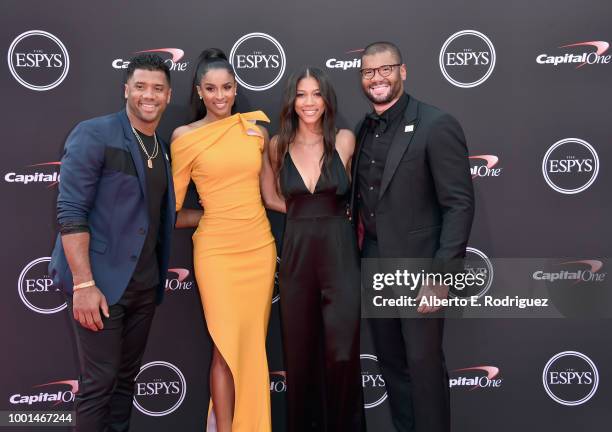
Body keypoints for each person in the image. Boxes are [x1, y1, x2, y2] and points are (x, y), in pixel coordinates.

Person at [351, 42, 475, 432]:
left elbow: (459, 205)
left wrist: (441, 275)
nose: (378, 78)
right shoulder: (362, 128)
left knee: (423, 368)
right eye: (369, 72)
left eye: (385, 69)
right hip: (374, 265)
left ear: (403, 71)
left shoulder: (436, 124)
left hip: (421, 270)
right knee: (392, 367)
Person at [49, 53, 175, 432]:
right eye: (140, 87)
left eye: (157, 88)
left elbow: (154, 214)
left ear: (168, 95)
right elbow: (71, 212)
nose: (148, 96)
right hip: (100, 284)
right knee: (99, 385)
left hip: (143, 285)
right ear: (126, 90)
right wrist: (85, 284)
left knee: (124, 384)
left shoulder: (162, 149)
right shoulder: (95, 132)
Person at [171, 48, 276, 432]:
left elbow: (271, 196)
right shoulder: (183, 138)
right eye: (211, 89)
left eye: (227, 88)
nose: (220, 96)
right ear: (199, 91)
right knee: (224, 347)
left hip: (259, 248)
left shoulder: (256, 131)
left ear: (236, 89)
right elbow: (173, 210)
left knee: (250, 347)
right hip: (217, 251)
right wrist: (213, 214)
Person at [260, 67, 364, 431]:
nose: (308, 102)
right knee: (300, 354)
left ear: (326, 99)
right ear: (292, 100)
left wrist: (323, 212)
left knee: (343, 353)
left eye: (316, 94)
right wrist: (305, 211)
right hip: (298, 252)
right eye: (301, 94)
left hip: (339, 253)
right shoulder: (276, 145)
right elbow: (270, 196)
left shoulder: (345, 140)